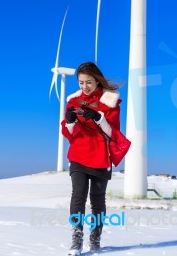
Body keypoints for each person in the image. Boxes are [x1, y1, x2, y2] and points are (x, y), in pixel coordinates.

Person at [61, 62, 123, 255]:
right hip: (78, 155)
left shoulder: (110, 102)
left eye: (89, 82)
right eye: (81, 83)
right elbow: (69, 133)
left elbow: (113, 133)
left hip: (101, 157)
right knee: (78, 195)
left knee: (97, 201)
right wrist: (70, 122)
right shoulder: (73, 102)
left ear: (97, 81)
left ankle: (95, 239)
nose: (84, 87)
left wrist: (98, 117)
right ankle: (76, 240)